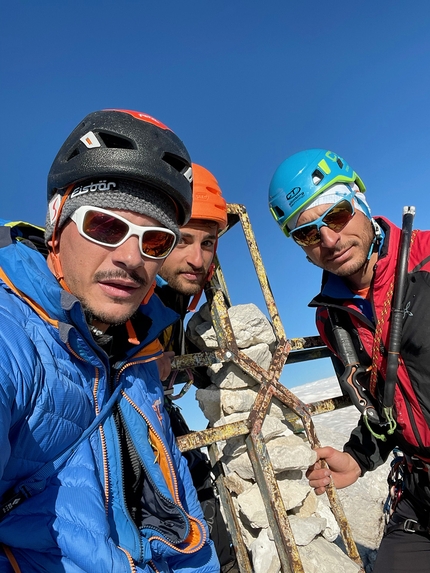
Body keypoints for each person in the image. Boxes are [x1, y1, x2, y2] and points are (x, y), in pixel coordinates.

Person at [0, 109, 218, 573]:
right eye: (105, 226)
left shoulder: (137, 349)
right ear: (57, 222)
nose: (130, 258)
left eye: (155, 241)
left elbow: (177, 502)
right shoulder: (13, 333)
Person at [268, 148, 430, 573]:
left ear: (360, 201)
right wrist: (358, 458)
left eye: (336, 215)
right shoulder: (332, 316)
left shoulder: (428, 260)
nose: (329, 240)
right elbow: (384, 404)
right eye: (306, 233)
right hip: (420, 496)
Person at [155, 164, 238, 572]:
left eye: (208, 243)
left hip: (158, 411)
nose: (197, 258)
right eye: (183, 240)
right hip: (108, 416)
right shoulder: (115, 285)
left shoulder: (174, 297)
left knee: (201, 492)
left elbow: (180, 357)